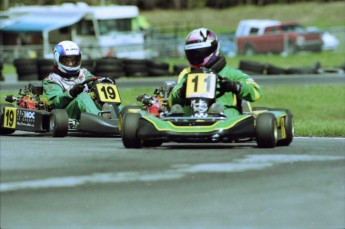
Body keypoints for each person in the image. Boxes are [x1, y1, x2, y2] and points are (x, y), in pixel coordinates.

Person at [169, 28, 263, 117]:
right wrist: (182, 91)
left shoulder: (231, 73)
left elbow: (256, 92)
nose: (195, 58)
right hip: (191, 117)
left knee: (225, 112)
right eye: (192, 54)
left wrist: (234, 86)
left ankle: (216, 113)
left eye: (199, 53)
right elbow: (171, 101)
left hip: (225, 118)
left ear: (213, 50)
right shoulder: (187, 75)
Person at [43, 40, 110, 120]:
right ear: (58, 59)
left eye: (73, 60)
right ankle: (102, 119)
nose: (71, 64)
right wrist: (71, 93)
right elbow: (54, 104)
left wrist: (102, 83)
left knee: (104, 92)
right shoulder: (51, 80)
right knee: (82, 97)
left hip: (86, 109)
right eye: (67, 61)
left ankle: (122, 116)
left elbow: (93, 80)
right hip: (65, 115)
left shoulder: (84, 73)